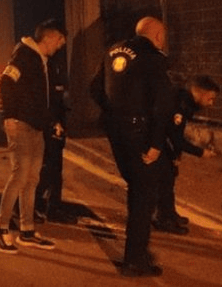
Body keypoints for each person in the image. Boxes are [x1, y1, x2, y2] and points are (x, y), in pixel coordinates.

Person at [90, 16, 173, 277]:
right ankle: (135, 258)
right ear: (157, 35)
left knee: (136, 186)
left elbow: (95, 87)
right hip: (140, 132)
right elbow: (162, 104)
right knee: (143, 194)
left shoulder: (113, 50)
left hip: (116, 131)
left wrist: (113, 111)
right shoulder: (154, 57)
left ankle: (138, 249)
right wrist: (157, 143)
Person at [0, 19, 67, 254]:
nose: (61, 45)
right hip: (21, 125)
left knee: (32, 179)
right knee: (20, 176)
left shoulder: (41, 60)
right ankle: (0, 228)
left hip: (36, 127)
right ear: (50, 37)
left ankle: (27, 230)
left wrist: (51, 122)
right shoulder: (24, 55)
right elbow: (5, 81)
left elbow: (38, 98)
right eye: (60, 40)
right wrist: (9, 116)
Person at [152, 74, 219, 234]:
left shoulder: (185, 102)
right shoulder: (178, 103)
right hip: (153, 140)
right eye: (210, 98)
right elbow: (175, 137)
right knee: (165, 179)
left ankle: (169, 213)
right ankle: (163, 219)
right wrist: (200, 152)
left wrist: (176, 156)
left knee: (170, 175)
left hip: (161, 140)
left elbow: (177, 133)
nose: (211, 103)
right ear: (199, 93)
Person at [34, 50, 70, 224]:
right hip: (51, 123)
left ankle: (51, 206)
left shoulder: (55, 63)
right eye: (60, 40)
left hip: (57, 120)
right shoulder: (44, 64)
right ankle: (38, 204)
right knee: (50, 167)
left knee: (54, 168)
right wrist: (53, 121)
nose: (61, 44)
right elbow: (45, 98)